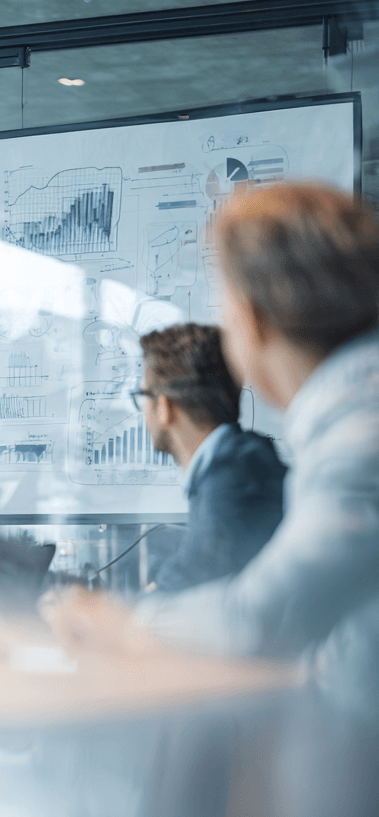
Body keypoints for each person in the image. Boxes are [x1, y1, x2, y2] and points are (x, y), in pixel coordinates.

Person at [45, 182, 379, 708]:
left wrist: (119, 622)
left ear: (251, 320)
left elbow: (262, 620)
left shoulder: (359, 442)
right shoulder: (343, 424)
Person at [134, 323, 286, 592]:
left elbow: (194, 577)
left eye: (142, 396)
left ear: (164, 407)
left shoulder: (235, 480)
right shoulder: (239, 459)